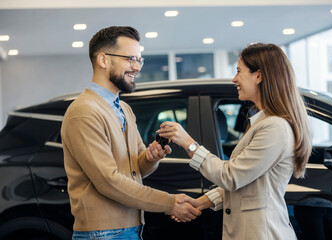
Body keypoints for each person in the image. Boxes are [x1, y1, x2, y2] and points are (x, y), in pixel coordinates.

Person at [158, 43, 312, 240]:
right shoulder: (263, 122)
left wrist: (189, 144)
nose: (234, 78)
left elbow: (232, 177)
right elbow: (248, 182)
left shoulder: (275, 127)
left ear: (259, 76)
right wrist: (202, 202)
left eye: (239, 71)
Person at [61, 26, 200, 240]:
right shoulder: (84, 111)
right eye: (130, 59)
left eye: (139, 60)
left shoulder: (123, 109)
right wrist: (169, 203)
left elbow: (136, 169)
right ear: (103, 60)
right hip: (103, 233)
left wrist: (150, 158)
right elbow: (108, 181)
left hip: (130, 227)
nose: (136, 67)